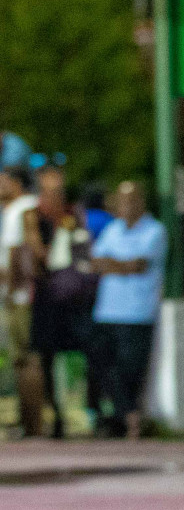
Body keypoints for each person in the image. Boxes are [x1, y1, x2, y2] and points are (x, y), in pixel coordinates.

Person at [20, 166, 100, 438]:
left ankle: (93, 411)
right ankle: (53, 414)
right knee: (44, 359)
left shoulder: (73, 214)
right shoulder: (33, 216)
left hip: (72, 300)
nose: (54, 196)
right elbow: (39, 254)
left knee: (93, 351)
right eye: (49, 190)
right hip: (46, 298)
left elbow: (83, 249)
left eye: (59, 190)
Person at [90, 181, 167, 440]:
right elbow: (96, 262)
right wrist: (120, 265)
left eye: (131, 200)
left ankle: (131, 417)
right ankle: (127, 416)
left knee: (130, 368)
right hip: (107, 311)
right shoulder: (113, 229)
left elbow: (138, 266)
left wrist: (113, 265)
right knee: (105, 366)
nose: (126, 206)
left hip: (137, 312)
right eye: (122, 201)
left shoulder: (154, 230)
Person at [2, 165, 44, 436]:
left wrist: (10, 289)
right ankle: (28, 422)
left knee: (25, 357)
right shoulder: (19, 208)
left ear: (15, 182)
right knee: (22, 358)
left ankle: (33, 426)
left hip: (19, 295)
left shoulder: (21, 208)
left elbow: (18, 253)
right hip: (20, 293)